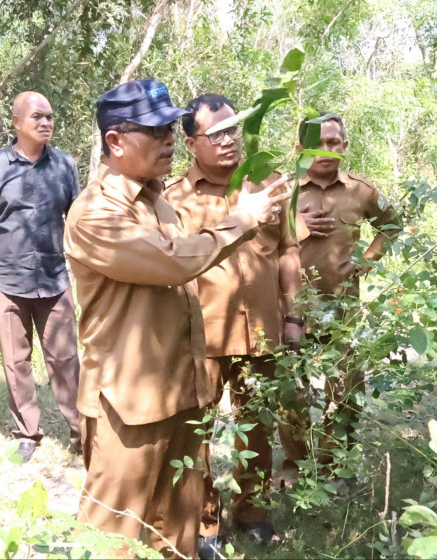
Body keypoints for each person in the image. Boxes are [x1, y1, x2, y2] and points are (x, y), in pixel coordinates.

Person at [64, 79, 290, 558]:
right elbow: (173, 259)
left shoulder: (156, 200)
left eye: (171, 128)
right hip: (130, 401)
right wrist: (242, 218)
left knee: (177, 530)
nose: (169, 139)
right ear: (115, 141)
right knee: (114, 536)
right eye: (156, 131)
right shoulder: (96, 212)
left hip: (182, 389)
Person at [164, 93, 305, 553]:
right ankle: (207, 526)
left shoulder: (269, 184)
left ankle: (254, 512)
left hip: (263, 329)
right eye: (216, 133)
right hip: (202, 336)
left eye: (233, 130)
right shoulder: (174, 200)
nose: (228, 141)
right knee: (199, 432)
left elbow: (289, 250)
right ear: (191, 144)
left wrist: (294, 315)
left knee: (258, 424)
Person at [0, 91, 82, 462]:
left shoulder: (64, 166)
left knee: (65, 359)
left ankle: (83, 433)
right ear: (17, 123)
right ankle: (27, 432)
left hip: (54, 279)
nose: (46, 122)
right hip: (4, 280)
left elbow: (76, 223)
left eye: (50, 116)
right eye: (37, 117)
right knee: (16, 361)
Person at [295, 113, 400, 481]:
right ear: (300, 147)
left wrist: (367, 260)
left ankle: (333, 466)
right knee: (289, 392)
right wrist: (297, 227)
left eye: (334, 142)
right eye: (317, 143)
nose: (326, 150)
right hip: (289, 310)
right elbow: (258, 238)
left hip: (342, 310)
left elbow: (392, 223)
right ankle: (295, 467)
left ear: (345, 147)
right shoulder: (283, 190)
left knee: (344, 389)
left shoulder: (363, 191)